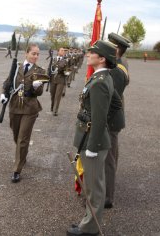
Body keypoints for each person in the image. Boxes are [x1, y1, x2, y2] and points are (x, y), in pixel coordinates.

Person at [67, 40, 116, 236]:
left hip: (92, 141)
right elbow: (115, 106)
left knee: (94, 188)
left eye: (92, 52)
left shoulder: (100, 82)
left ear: (102, 58)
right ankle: (88, 221)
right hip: (89, 136)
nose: (88, 54)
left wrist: (94, 144)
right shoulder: (101, 78)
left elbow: (99, 116)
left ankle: (89, 229)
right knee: (92, 185)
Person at [0, 43, 46, 183]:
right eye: (33, 53)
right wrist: (3, 94)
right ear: (26, 53)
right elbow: (7, 82)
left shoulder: (40, 71)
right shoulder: (16, 68)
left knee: (23, 138)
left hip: (30, 108)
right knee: (16, 135)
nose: (36, 56)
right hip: (14, 106)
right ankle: (22, 155)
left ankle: (16, 170)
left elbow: (39, 92)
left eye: (38, 54)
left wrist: (35, 87)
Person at [104, 33, 131, 209]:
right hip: (113, 118)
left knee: (108, 159)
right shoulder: (120, 64)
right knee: (111, 155)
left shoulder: (116, 70)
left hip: (110, 119)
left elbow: (109, 99)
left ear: (115, 50)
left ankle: (107, 197)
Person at [50, 47, 68, 116]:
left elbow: (68, 70)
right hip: (53, 79)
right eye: (62, 50)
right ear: (58, 51)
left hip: (61, 79)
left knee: (58, 96)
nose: (63, 51)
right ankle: (52, 107)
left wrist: (65, 72)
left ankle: (55, 110)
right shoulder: (53, 59)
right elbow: (50, 68)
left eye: (64, 51)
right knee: (52, 94)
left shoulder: (66, 60)